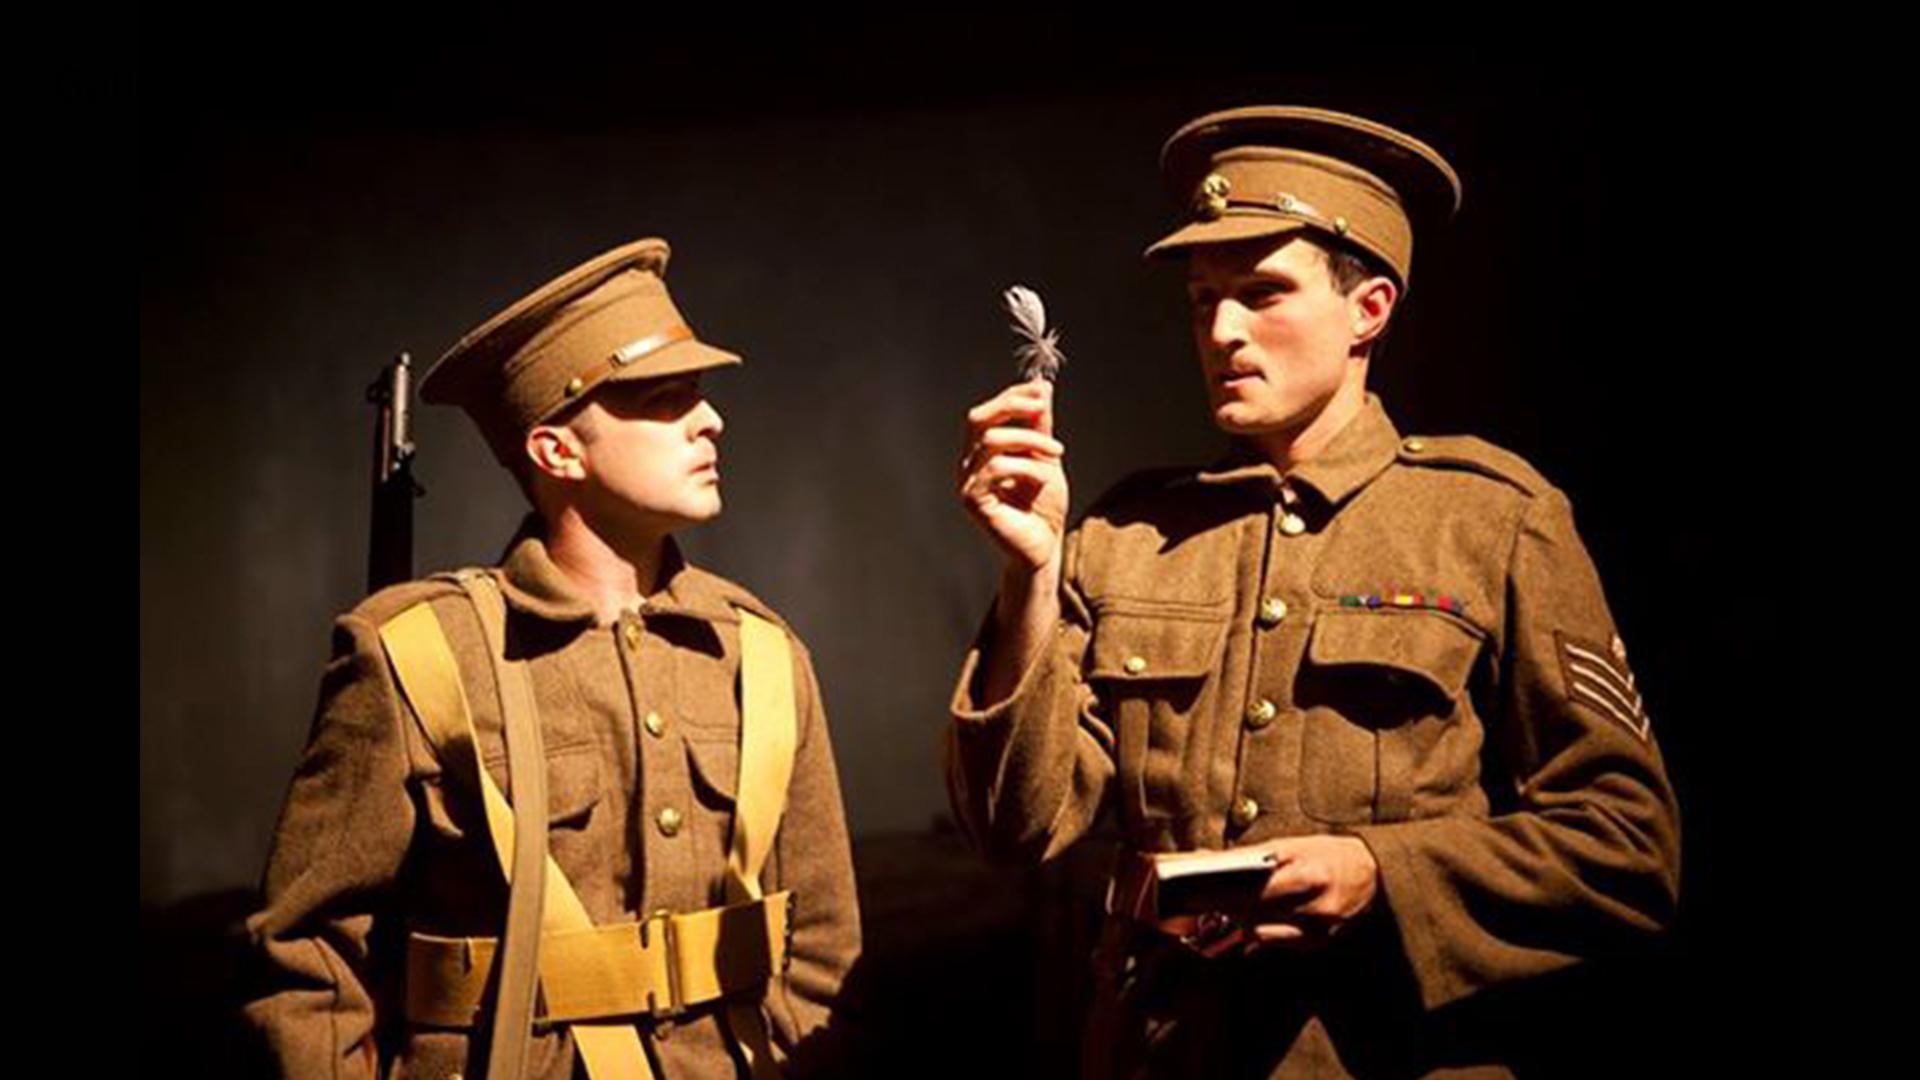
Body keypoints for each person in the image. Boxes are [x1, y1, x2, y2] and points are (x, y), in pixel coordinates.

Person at [946, 106, 1680, 1078]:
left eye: (1262, 293)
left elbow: (1625, 847)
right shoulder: (1129, 536)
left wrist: (1386, 875)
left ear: (1369, 309)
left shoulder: (1491, 519)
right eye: (1203, 298)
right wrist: (1031, 573)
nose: (1221, 331)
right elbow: (1016, 829)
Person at [243, 238, 861, 1079]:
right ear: (557, 452)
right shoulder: (419, 656)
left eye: (701, 396)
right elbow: (312, 958)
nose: (709, 419)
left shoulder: (756, 653)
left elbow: (821, 943)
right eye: (662, 399)